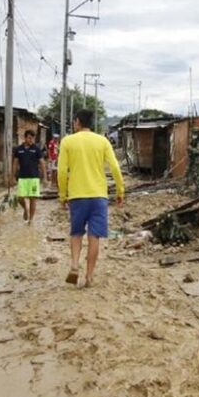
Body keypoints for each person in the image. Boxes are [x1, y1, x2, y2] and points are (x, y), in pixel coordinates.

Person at [57, 109, 125, 288]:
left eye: (74, 121)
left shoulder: (67, 141)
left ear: (77, 121)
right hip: (99, 197)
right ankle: (89, 276)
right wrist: (120, 191)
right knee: (94, 237)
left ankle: (73, 265)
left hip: (77, 196)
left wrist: (62, 195)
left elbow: (62, 171)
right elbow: (115, 168)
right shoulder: (102, 141)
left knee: (76, 233)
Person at [12, 130, 46, 224]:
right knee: (20, 198)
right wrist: (12, 177)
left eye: (33, 138)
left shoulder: (36, 149)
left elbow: (42, 163)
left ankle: (31, 220)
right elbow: (15, 163)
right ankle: (25, 209)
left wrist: (45, 177)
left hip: (34, 178)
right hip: (22, 177)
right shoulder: (19, 149)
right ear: (25, 138)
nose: (31, 140)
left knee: (33, 199)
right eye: (29, 138)